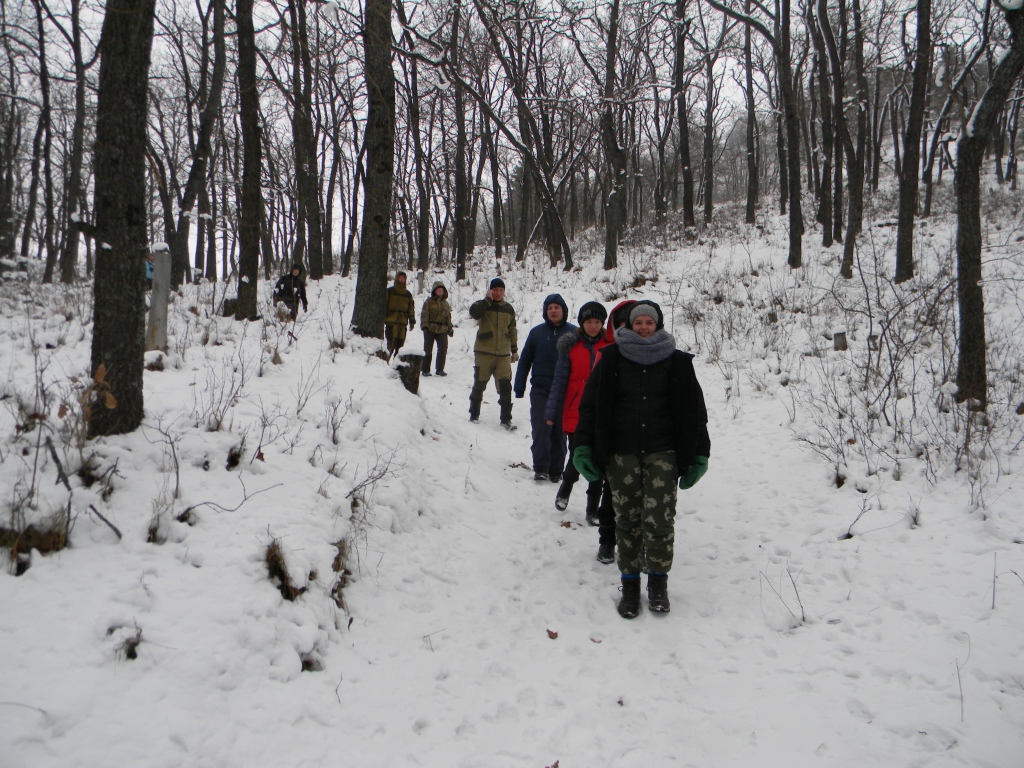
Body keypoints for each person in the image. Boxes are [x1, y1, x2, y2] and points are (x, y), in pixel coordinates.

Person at [573, 300, 710, 619]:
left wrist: (700, 453)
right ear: (630, 326)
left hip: (664, 453)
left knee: (660, 521)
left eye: (650, 322)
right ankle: (631, 586)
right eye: (639, 323)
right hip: (622, 454)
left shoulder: (678, 362)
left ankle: (658, 586)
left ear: (657, 325)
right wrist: (582, 447)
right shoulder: (610, 360)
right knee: (627, 521)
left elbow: (695, 412)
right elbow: (590, 407)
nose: (644, 327)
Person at [544, 301, 615, 561]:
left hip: (601, 413)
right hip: (576, 413)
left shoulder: (609, 346)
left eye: (598, 322)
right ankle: (565, 487)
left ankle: (592, 508)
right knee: (578, 457)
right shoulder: (570, 347)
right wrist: (552, 411)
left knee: (598, 463)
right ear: (582, 323)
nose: (593, 326)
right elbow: (560, 380)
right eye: (588, 322)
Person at [514, 294, 576, 481]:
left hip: (564, 391)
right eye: (550, 308)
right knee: (540, 428)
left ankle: (557, 470)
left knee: (559, 430)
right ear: (545, 312)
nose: (553, 311)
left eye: (557, 307)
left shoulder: (574, 333)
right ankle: (541, 467)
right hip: (540, 389)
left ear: (563, 311)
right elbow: (525, 360)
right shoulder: (536, 333)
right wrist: (519, 386)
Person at [469, 278, 518, 430]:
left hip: (503, 354)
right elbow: (474, 313)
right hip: (484, 352)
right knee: (480, 383)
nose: (498, 293)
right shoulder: (483, 305)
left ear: (504, 292)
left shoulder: (508, 309)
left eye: (500, 290)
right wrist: (487, 300)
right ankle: (474, 414)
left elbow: (512, 330)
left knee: (505, 387)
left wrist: (514, 350)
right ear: (490, 291)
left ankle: (506, 419)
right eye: (495, 290)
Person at [420, 280, 453, 376]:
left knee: (443, 348)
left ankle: (440, 369)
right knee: (428, 350)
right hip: (430, 328)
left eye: (441, 290)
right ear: (434, 291)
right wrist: (424, 325)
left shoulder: (445, 304)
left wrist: (450, 329)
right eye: (438, 290)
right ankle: (425, 370)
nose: (440, 291)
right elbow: (424, 314)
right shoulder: (429, 302)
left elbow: (448, 317)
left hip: (442, 328)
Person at [384, 271, 416, 361]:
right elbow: (384, 305)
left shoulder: (408, 294)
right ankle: (386, 363)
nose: (402, 279)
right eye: (400, 277)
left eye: (403, 278)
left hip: (402, 323)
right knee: (390, 344)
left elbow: (411, 308)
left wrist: (412, 320)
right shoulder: (390, 291)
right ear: (397, 278)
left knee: (400, 346)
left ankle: (396, 364)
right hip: (391, 321)